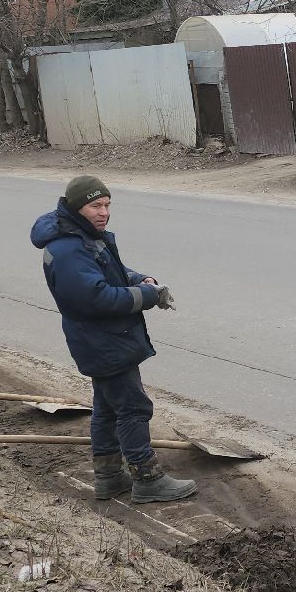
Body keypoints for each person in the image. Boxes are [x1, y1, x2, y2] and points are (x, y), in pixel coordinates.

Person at [30, 175, 196, 503]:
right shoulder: (67, 249)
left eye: (107, 205)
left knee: (106, 409)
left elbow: (109, 270)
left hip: (101, 340)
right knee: (134, 407)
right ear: (78, 207)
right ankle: (147, 479)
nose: (103, 212)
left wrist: (139, 279)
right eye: (96, 205)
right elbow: (97, 298)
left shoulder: (83, 235)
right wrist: (146, 296)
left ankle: (108, 476)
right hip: (104, 341)